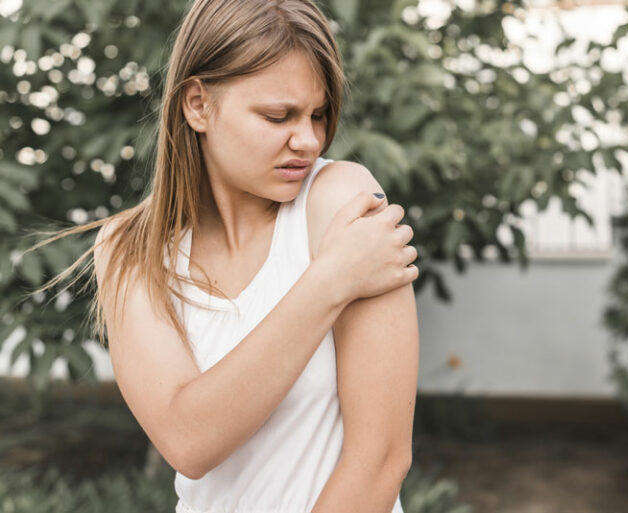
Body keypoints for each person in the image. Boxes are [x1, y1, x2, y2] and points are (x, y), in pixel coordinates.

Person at [28, 0, 419, 511]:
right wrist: (331, 281)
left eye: (318, 115)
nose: (307, 139)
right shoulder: (131, 250)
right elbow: (189, 440)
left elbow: (382, 459)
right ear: (197, 104)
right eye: (277, 115)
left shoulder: (339, 201)